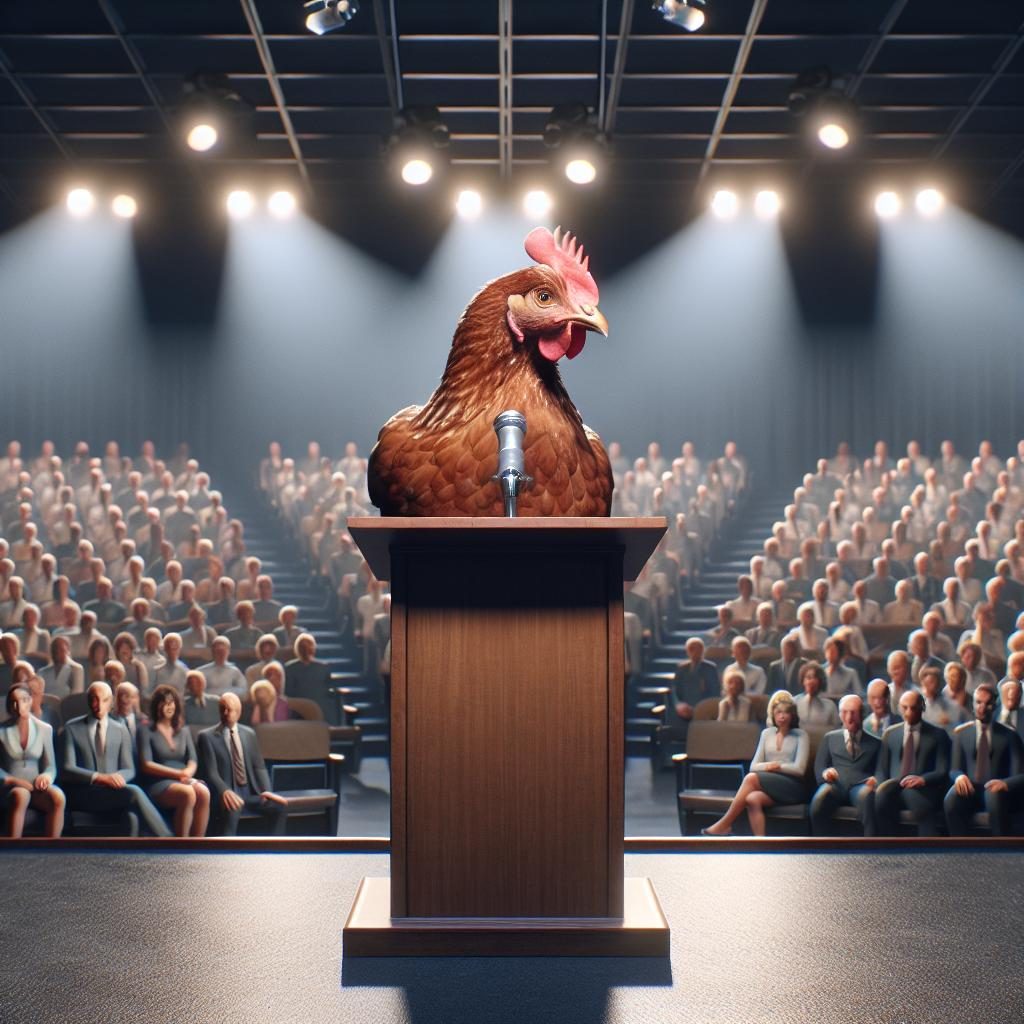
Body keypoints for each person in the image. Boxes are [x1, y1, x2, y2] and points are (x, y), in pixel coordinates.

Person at [60, 681, 172, 836]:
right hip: (83, 793)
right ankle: (168, 840)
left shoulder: (120, 729)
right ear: (88, 700)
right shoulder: (71, 728)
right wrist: (100, 778)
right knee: (134, 791)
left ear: (111, 703)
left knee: (132, 817)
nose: (98, 705)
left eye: (104, 700)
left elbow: (129, 769)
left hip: (113, 793)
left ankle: (136, 857)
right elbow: (67, 768)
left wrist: (116, 778)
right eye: (94, 699)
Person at [701, 691, 809, 837]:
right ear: (773, 714)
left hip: (793, 787)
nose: (782, 716)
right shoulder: (766, 734)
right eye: (778, 712)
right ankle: (761, 844)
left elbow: (799, 769)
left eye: (786, 713)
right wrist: (768, 766)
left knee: (751, 778)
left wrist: (778, 767)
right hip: (770, 784)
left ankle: (724, 824)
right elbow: (754, 766)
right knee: (752, 799)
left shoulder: (800, 735)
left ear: (793, 715)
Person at [197, 692, 288, 837]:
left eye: (229, 709)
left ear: (238, 712)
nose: (225, 713)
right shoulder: (207, 736)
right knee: (233, 807)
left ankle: (275, 850)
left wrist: (267, 791)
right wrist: (224, 791)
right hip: (226, 794)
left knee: (279, 807)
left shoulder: (249, 734)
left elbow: (259, 767)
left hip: (250, 793)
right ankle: (227, 855)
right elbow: (211, 772)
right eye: (222, 709)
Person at [944, 682, 1024, 836]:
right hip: (970, 789)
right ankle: (959, 849)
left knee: (993, 795)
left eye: (987, 703)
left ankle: (1001, 852)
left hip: (998, 790)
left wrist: (1004, 783)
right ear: (973, 704)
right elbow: (954, 768)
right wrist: (959, 777)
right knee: (951, 798)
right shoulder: (961, 734)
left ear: (995, 706)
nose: (982, 707)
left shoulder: (1010, 736)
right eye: (978, 702)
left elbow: (1020, 774)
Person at [874, 690, 952, 836]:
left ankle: (929, 853)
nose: (909, 712)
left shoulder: (938, 735)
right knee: (881, 797)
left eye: (914, 708)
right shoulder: (890, 734)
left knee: (922, 807)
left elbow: (943, 770)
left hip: (922, 787)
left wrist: (922, 780)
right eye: (905, 707)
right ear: (899, 708)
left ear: (922, 708)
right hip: (894, 785)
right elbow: (881, 769)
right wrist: (882, 784)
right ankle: (886, 848)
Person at [138, 685, 210, 837]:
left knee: (203, 792)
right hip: (158, 783)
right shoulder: (145, 730)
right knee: (188, 793)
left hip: (183, 778)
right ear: (156, 706)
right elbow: (146, 765)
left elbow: (192, 759)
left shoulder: (183, 730)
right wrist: (178, 774)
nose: (168, 706)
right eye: (163, 703)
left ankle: (199, 847)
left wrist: (187, 774)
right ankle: (180, 848)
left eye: (171, 703)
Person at [809, 694, 880, 836]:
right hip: (835, 785)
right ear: (840, 715)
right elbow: (819, 767)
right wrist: (825, 773)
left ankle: (871, 851)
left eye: (853, 713)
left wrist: (876, 780)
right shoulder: (830, 738)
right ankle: (819, 851)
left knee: (868, 799)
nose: (849, 717)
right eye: (845, 712)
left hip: (860, 786)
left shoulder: (876, 743)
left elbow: (882, 771)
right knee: (819, 800)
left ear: (862, 714)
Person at [1, 682, 65, 837]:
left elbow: (51, 767)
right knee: (21, 795)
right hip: (8, 787)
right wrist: (12, 780)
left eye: (23, 700)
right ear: (9, 706)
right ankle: (12, 852)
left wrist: (46, 777)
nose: (18, 706)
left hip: (36, 787)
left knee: (58, 796)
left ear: (30, 700)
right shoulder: (1, 731)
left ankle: (52, 851)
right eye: (13, 702)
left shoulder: (45, 729)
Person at [669, 637, 719, 740]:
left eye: (698, 649)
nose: (695, 652)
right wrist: (679, 705)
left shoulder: (710, 668)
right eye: (692, 649)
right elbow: (674, 690)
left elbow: (715, 692)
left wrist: (699, 708)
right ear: (687, 651)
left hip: (704, 708)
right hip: (684, 708)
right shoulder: (681, 668)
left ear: (703, 650)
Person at [793, 661, 839, 727]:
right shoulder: (794, 703)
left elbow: (836, 730)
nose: (811, 681)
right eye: (808, 677)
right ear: (803, 681)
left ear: (820, 682)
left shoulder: (830, 706)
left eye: (815, 678)